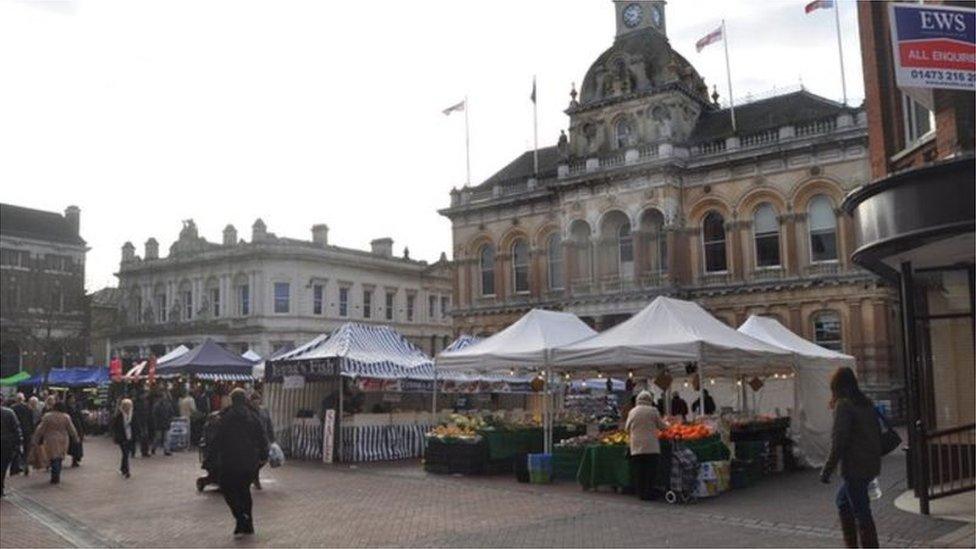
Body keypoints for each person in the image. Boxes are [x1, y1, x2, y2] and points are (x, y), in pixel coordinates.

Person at [820, 367, 882, 549]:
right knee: (843, 502)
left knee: (861, 512)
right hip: (870, 464)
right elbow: (877, 433)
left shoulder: (844, 406)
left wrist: (827, 470)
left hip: (854, 467)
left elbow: (839, 441)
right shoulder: (866, 404)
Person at [213, 388, 268, 537]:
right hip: (249, 460)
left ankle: (240, 517)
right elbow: (262, 436)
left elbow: (217, 438)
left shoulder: (225, 417)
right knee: (244, 490)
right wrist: (264, 455)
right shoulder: (253, 416)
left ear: (232, 399)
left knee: (227, 488)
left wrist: (214, 455)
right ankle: (247, 523)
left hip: (230, 460)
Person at [625, 390, 668, 501]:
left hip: (636, 446)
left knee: (639, 471)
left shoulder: (632, 411)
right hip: (651, 446)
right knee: (650, 471)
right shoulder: (653, 411)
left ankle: (641, 493)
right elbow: (662, 426)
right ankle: (649, 492)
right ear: (650, 400)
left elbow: (626, 428)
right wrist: (668, 424)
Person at [32, 402, 79, 485]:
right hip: (63, 439)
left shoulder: (47, 416)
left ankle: (54, 475)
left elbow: (40, 429)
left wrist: (36, 438)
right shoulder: (66, 417)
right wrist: (75, 437)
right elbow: (71, 429)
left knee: (53, 457)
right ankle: (56, 474)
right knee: (59, 457)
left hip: (50, 439)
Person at [248, 392, 274, 490]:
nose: (256, 402)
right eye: (254, 400)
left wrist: (272, 439)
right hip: (253, 441)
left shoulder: (264, 410)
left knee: (264, 459)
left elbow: (269, 424)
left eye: (257, 399)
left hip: (264, 439)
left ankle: (254, 476)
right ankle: (255, 479)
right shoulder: (248, 412)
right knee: (254, 460)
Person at [111, 399, 138, 478]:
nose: (127, 408)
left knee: (126, 454)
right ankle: (127, 471)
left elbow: (136, 426)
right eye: (126, 406)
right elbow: (114, 427)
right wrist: (116, 437)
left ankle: (123, 468)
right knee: (125, 453)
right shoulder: (119, 416)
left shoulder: (133, 415)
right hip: (122, 437)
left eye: (129, 406)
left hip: (130, 436)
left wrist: (136, 435)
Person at [1, 403, 22, 496]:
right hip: (6, 444)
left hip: (6, 443)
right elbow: (17, 429)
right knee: (3, 466)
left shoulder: (9, 412)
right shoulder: (9, 412)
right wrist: (18, 443)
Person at [11, 394, 34, 476]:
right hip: (27, 431)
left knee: (16, 449)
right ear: (23, 399)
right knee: (26, 449)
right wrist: (32, 431)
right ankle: (26, 465)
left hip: (16, 431)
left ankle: (15, 467)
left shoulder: (13, 408)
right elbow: (31, 421)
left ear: (17, 399)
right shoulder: (29, 408)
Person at [151, 390, 175, 456]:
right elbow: (154, 414)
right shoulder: (157, 405)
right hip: (159, 423)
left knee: (166, 438)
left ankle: (166, 450)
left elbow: (171, 413)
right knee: (158, 438)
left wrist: (170, 419)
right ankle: (153, 447)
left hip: (166, 423)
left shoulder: (168, 405)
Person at [65, 393, 85, 467]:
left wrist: (83, 425)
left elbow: (80, 416)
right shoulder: (66, 407)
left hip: (78, 426)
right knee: (72, 444)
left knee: (78, 442)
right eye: (71, 398)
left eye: (73, 398)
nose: (73, 400)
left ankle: (76, 458)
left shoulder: (77, 406)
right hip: (70, 426)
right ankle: (74, 458)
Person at [133, 393, 151, 457]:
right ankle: (143, 451)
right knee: (143, 436)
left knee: (144, 436)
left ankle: (144, 451)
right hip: (141, 422)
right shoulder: (141, 404)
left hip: (142, 421)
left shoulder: (144, 403)